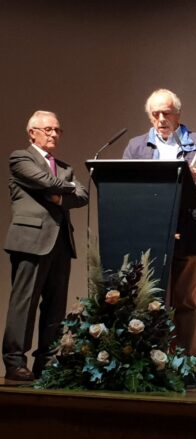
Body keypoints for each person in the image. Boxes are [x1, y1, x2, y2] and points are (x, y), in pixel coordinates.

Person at [123, 89, 196, 388]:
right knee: (147, 301)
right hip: (150, 232)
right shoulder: (136, 146)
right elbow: (126, 187)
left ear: (178, 114)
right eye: (155, 114)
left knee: (187, 303)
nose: (161, 119)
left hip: (191, 232)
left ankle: (185, 366)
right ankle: (146, 364)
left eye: (166, 113)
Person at [3, 110, 89, 382]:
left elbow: (83, 195)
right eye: (48, 129)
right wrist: (66, 187)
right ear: (32, 133)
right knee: (24, 303)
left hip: (61, 241)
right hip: (31, 240)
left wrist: (59, 197)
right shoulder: (21, 158)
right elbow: (44, 181)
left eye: (57, 130)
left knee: (55, 306)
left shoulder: (64, 167)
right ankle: (15, 361)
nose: (54, 134)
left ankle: (47, 362)